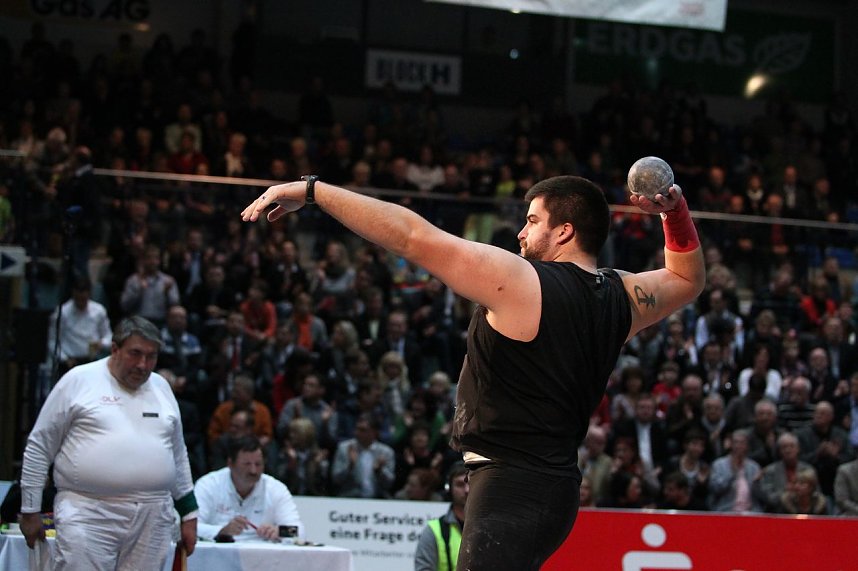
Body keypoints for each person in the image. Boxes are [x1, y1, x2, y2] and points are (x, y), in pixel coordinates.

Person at [242, 171, 704, 569]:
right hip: (552, 488)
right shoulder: (621, 296)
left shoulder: (523, 281)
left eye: (531, 221)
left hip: (511, 488)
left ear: (564, 232)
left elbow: (411, 237)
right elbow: (687, 279)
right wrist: (674, 211)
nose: (521, 234)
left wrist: (313, 191)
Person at [20, 316, 198, 569]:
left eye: (151, 356)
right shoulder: (78, 380)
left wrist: (189, 514)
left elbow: (178, 455)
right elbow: (39, 446)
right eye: (135, 354)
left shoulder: (161, 387)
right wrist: (30, 509)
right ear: (115, 349)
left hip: (153, 515)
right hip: (88, 512)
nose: (143, 364)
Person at [195, 436, 304, 542]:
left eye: (258, 464)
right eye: (247, 464)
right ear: (230, 464)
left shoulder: (275, 489)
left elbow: (299, 532)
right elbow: (191, 527)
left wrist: (279, 532)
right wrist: (221, 531)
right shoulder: (208, 485)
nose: (253, 471)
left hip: (261, 555)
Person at [414, 463, 469, 571]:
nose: (466, 490)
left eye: (471, 483)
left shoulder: (491, 527)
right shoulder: (434, 530)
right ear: (449, 489)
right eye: (460, 484)